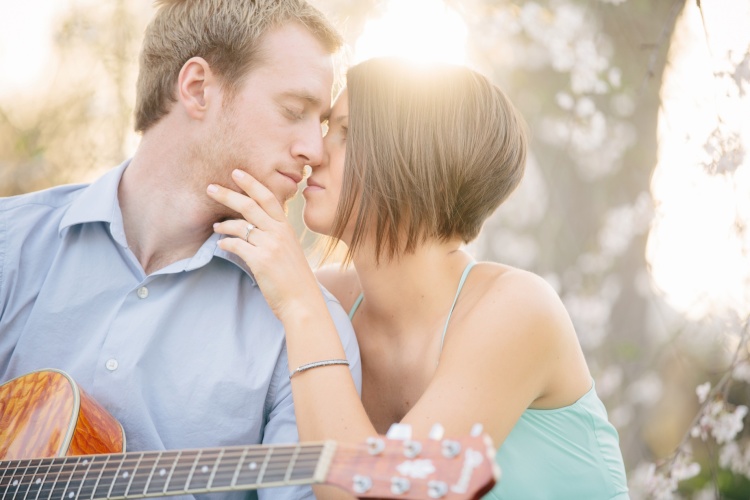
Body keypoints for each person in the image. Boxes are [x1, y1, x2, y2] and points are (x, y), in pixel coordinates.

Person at [209, 57, 629, 499]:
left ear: (417, 161)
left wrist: (301, 306)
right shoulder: (328, 298)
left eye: (347, 133)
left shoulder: (518, 310)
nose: (314, 151)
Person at [0, 1, 360, 499]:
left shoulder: (311, 334)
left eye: (319, 123)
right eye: (294, 112)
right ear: (197, 89)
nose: (314, 151)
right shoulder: (9, 243)